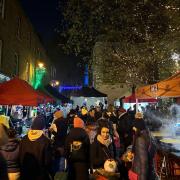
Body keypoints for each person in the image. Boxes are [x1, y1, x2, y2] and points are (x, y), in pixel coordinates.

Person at [19, 115, 52, 180]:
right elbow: (47, 162)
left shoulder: (23, 139)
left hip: (25, 174)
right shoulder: (45, 141)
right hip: (39, 175)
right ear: (43, 126)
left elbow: (20, 157)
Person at [131, 112, 157, 180]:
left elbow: (144, 164)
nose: (133, 129)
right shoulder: (147, 135)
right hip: (149, 174)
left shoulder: (140, 139)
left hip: (141, 175)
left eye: (134, 127)